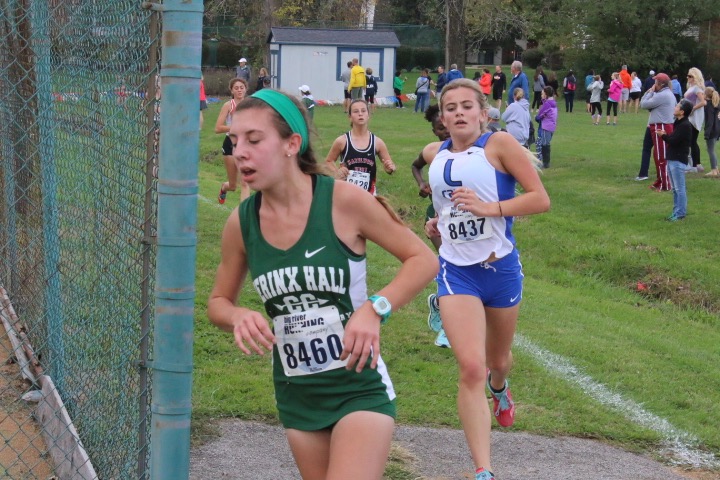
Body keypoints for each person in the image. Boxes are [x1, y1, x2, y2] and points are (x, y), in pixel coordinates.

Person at [207, 88, 438, 480]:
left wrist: (374, 308)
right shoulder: (241, 223)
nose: (239, 151)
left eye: (254, 139)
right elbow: (218, 302)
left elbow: (423, 259)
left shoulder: (344, 201)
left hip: (358, 387)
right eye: (235, 140)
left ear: (291, 144)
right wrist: (237, 316)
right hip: (298, 395)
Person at [422, 78, 550, 480]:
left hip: (500, 269)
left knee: (497, 361)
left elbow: (540, 199)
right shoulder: (435, 154)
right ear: (442, 117)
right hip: (456, 271)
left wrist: (490, 207)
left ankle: (501, 388)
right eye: (450, 107)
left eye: (466, 106)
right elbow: (447, 208)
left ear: (483, 112)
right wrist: (437, 226)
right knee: (471, 367)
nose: (458, 113)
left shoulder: (499, 146)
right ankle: (483, 470)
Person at [410, 104, 452, 347]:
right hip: (436, 221)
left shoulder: (472, 150)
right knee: (449, 266)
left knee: (462, 270)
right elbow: (415, 166)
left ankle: (438, 301)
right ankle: (447, 325)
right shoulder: (431, 151)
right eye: (440, 128)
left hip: (465, 225)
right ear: (435, 131)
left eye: (447, 124)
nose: (446, 130)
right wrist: (422, 184)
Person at [325, 99, 396, 195]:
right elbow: (328, 162)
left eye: (363, 111)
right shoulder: (342, 141)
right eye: (355, 111)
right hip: (346, 194)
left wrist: (390, 168)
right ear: (349, 117)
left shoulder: (377, 142)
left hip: (369, 195)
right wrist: (337, 172)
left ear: (368, 115)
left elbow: (390, 166)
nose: (360, 114)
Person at [655, 100, 694, 221]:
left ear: (682, 112)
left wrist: (663, 136)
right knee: (675, 189)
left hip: (677, 159)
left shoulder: (685, 125)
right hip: (672, 158)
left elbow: (673, 141)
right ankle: (676, 211)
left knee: (679, 188)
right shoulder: (678, 123)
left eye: (677, 106)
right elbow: (674, 137)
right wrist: (666, 134)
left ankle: (680, 213)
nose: (675, 107)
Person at [215, 78, 251, 204]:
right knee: (233, 186)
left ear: (246, 89)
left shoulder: (251, 104)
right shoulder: (228, 105)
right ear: (232, 90)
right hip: (230, 143)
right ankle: (224, 188)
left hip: (246, 144)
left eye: (242, 87)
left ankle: (244, 216)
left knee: (245, 183)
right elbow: (218, 128)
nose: (239, 90)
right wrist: (236, 128)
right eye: (236, 88)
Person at [639, 72, 676, 190]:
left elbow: (643, 104)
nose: (653, 83)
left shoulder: (662, 95)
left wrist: (650, 92)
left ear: (660, 84)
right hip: (662, 125)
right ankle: (661, 180)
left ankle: (665, 185)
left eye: (655, 82)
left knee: (661, 156)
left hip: (661, 126)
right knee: (658, 155)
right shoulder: (666, 94)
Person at [683, 67, 707, 173]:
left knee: (692, 141)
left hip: (695, 117)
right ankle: (697, 164)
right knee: (691, 141)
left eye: (690, 76)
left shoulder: (697, 88)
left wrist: (693, 108)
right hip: (689, 116)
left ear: (695, 77)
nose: (688, 77)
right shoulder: (690, 87)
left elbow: (703, 102)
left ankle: (695, 165)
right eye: (688, 75)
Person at [536, 86, 558, 168]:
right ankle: (546, 162)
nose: (541, 95)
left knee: (544, 144)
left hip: (546, 126)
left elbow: (539, 115)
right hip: (552, 126)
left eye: (542, 94)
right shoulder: (553, 103)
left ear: (546, 94)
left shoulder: (547, 104)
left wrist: (538, 117)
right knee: (546, 143)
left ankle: (545, 163)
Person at [703, 86, 720, 177]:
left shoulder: (709, 105)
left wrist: (707, 133)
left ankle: (713, 170)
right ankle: (716, 169)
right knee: (712, 149)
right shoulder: (716, 104)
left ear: (706, 95)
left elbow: (710, 120)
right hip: (717, 129)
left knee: (710, 150)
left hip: (712, 130)